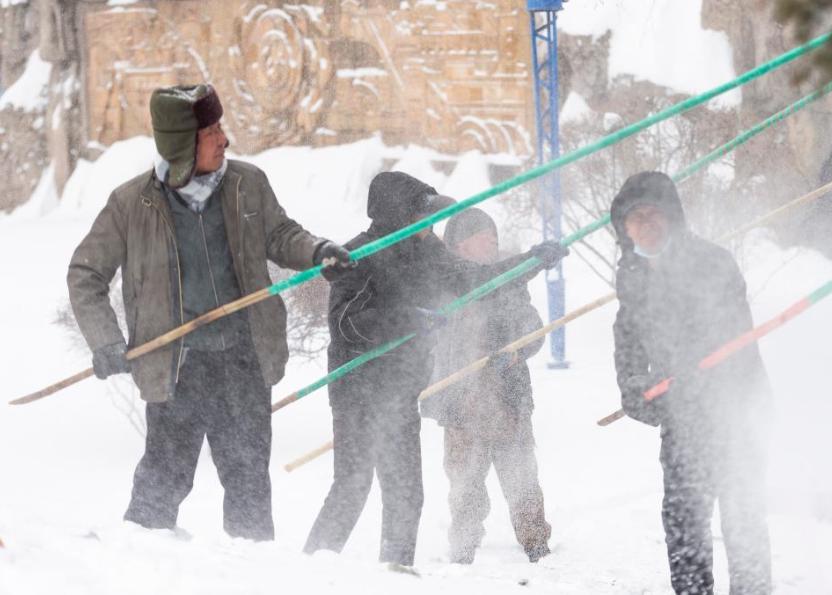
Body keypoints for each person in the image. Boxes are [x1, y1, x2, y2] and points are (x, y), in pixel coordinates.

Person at [67, 84, 353, 541]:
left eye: (220, 128)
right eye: (212, 131)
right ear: (183, 144)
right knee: (162, 482)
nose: (224, 140)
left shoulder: (247, 184)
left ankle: (252, 575)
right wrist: (105, 340)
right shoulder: (131, 204)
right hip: (176, 366)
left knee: (248, 483)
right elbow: (85, 274)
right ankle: (140, 568)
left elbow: (280, 235)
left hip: (242, 360)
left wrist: (318, 251)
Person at [303, 172, 568, 571]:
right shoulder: (357, 255)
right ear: (399, 216)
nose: (430, 225)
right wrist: (408, 319)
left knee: (406, 491)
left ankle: (395, 572)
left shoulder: (427, 253)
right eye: (422, 216)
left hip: (402, 387)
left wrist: (528, 262)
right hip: (358, 389)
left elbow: (477, 280)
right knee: (353, 486)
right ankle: (307, 571)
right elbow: (346, 325)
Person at [610, 172, 772, 595]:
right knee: (684, 524)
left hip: (735, 411)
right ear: (624, 228)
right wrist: (632, 388)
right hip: (681, 421)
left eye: (654, 214)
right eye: (635, 217)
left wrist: (692, 378)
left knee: (743, 520)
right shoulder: (631, 274)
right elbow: (627, 336)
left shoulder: (712, 262)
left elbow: (732, 335)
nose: (645, 224)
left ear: (673, 218)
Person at [420, 208, 552, 564]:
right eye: (483, 235)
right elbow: (433, 343)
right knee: (464, 485)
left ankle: (536, 543)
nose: (492, 241)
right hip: (462, 407)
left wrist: (513, 352)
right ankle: (463, 548)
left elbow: (534, 331)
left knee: (522, 478)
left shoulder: (508, 283)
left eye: (494, 235)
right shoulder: (443, 286)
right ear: (460, 245)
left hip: (508, 401)